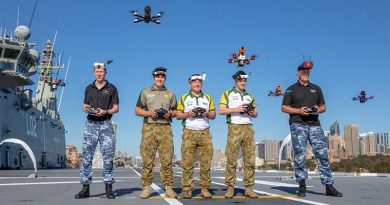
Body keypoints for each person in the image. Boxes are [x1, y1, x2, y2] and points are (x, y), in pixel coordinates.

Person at [281, 61, 343, 197]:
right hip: (298, 125)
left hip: (315, 125)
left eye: (308, 72)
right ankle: (302, 186)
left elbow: (323, 107)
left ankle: (329, 186)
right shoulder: (291, 89)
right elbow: (284, 107)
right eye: (303, 72)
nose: (306, 74)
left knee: (322, 155)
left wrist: (316, 110)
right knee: (300, 155)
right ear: (298, 73)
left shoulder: (317, 88)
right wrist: (298, 111)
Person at [75, 62, 119, 199]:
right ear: (93, 72)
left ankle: (109, 187)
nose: (99, 74)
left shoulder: (112, 88)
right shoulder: (89, 88)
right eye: (97, 71)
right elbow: (85, 106)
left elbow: (116, 108)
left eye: (101, 71)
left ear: (105, 72)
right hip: (91, 124)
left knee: (108, 157)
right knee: (87, 157)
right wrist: (88, 109)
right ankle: (85, 188)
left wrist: (105, 111)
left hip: (106, 124)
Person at [135, 67, 178, 199]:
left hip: (165, 128)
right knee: (147, 159)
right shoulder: (146, 92)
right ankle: (146, 188)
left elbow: (176, 111)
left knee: (167, 160)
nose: (160, 79)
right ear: (154, 78)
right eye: (158, 77)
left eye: (162, 77)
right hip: (149, 128)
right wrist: (149, 113)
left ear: (165, 78)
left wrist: (170, 114)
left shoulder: (170, 93)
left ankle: (169, 188)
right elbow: (137, 110)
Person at [219, 70, 258, 198]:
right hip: (234, 127)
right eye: (240, 80)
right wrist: (237, 109)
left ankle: (249, 188)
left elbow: (256, 114)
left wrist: (250, 111)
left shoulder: (250, 96)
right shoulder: (227, 93)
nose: (243, 82)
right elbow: (221, 110)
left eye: (245, 80)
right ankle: (230, 187)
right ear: (236, 80)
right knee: (231, 158)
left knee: (250, 159)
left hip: (248, 127)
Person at [176, 74, 216, 199]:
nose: (197, 84)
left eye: (199, 82)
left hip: (205, 132)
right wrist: (188, 113)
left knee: (206, 163)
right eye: (194, 82)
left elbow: (214, 114)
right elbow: (178, 115)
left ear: (201, 84)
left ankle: (205, 188)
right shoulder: (184, 97)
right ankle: (187, 189)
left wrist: (207, 113)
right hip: (189, 132)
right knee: (187, 163)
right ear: (190, 84)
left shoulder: (208, 97)